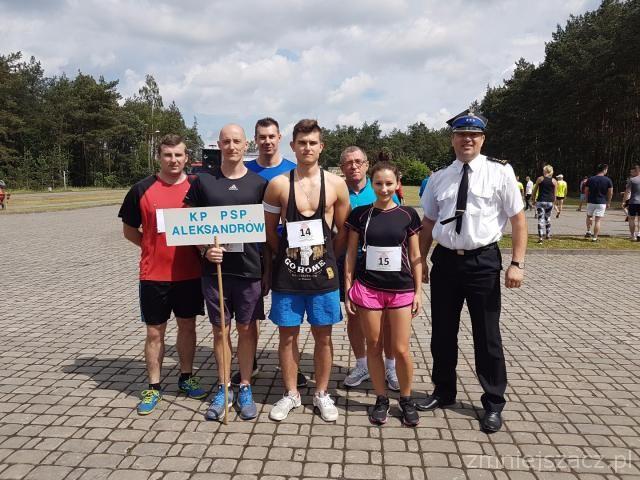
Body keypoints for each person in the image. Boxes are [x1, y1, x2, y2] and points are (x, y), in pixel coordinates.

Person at [418, 110, 527, 433]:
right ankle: (443, 391)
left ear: (482, 139)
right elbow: (428, 223)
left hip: (483, 262)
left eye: (474, 135)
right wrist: (420, 260)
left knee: (487, 335)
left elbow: (518, 220)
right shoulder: (439, 177)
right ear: (452, 139)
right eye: (461, 134)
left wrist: (517, 263)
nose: (467, 139)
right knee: (442, 332)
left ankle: (493, 402)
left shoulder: (500, 172)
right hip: (446, 262)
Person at [263, 119, 350, 422]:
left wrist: (326, 257)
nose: (307, 148)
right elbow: (269, 232)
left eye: (313, 143)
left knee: (323, 336)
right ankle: (291, 393)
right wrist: (284, 256)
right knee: (287, 336)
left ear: (321, 146)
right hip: (287, 275)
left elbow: (343, 231)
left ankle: (322, 393)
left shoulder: (336, 184)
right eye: (302, 143)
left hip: (323, 276)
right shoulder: (278, 185)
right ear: (293, 146)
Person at [184, 124, 268, 421]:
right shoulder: (203, 182)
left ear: (246, 145)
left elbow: (269, 227)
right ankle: (223, 386)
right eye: (226, 141)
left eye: (237, 141)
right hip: (215, 271)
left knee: (246, 329)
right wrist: (205, 248)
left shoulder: (259, 184)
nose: (231, 146)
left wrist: (267, 270)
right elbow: (189, 224)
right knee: (220, 330)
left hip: (248, 270)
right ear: (218, 145)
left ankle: (244, 385)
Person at [118, 134, 206, 415]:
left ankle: (186, 377)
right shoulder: (141, 189)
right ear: (159, 157)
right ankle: (153, 386)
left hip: (190, 273)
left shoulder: (198, 186)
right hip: (154, 275)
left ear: (186, 157)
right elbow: (130, 231)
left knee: (188, 327)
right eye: (168, 155)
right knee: (155, 332)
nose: (174, 160)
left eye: (179, 155)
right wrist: (152, 247)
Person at [344, 161, 422, 427]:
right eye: (379, 183)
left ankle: (407, 398)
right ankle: (381, 398)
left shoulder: (408, 214)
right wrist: (348, 287)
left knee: (400, 348)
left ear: (397, 183)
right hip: (368, 289)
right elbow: (350, 254)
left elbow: (416, 256)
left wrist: (419, 292)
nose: (384, 188)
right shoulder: (360, 215)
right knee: (374, 346)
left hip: (401, 289)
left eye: (389, 183)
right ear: (372, 184)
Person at [233, 117, 305, 388]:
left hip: (285, 252)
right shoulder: (245, 170)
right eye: (262, 137)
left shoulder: (293, 171)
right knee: (250, 313)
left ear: (279, 138)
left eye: (271, 136)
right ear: (255, 140)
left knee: (290, 314)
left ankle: (293, 367)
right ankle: (249, 364)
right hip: (250, 253)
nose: (267, 141)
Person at [338, 146, 400, 391]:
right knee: (354, 315)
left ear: (366, 164)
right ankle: (362, 364)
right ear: (342, 168)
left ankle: (391, 365)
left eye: (358, 161)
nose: (353, 166)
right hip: (349, 263)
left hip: (382, 266)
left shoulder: (381, 189)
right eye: (348, 162)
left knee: (386, 319)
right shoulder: (335, 190)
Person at [584, 164, 613, 242]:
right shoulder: (608, 180)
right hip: (601, 202)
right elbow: (610, 192)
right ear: (604, 170)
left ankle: (588, 231)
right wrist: (609, 202)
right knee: (597, 220)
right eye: (607, 170)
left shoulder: (590, 179)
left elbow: (586, 190)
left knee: (589, 216)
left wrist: (586, 199)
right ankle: (595, 237)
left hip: (591, 201)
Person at [531, 165, 557, 243]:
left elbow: (535, 190)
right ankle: (548, 235)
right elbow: (555, 194)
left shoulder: (540, 179)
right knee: (548, 218)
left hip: (541, 201)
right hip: (549, 202)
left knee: (540, 219)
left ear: (544, 171)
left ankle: (540, 238)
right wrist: (554, 203)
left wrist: (533, 199)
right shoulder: (554, 181)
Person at [625, 163, 640, 241]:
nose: (631, 173)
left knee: (631, 219)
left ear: (637, 171)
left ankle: (633, 236)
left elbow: (627, 191)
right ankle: (639, 233)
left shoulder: (632, 180)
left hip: (633, 202)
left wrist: (624, 201)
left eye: (632, 172)